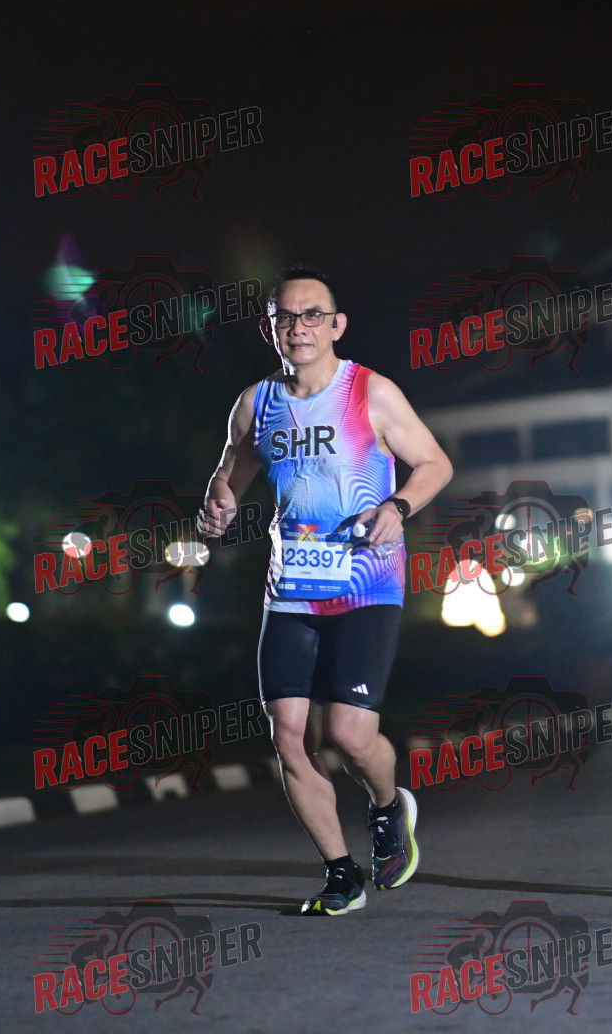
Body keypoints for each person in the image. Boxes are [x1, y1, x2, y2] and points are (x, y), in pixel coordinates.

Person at [199, 266, 453, 915]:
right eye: (285, 316)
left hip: (366, 582)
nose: (299, 327)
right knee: (289, 737)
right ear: (270, 330)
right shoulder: (255, 403)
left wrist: (397, 505)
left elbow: (435, 463)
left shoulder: (370, 391)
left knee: (349, 735)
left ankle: (389, 807)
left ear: (336, 325)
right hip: (291, 588)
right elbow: (230, 473)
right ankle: (342, 875)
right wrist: (219, 503)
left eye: (313, 315)